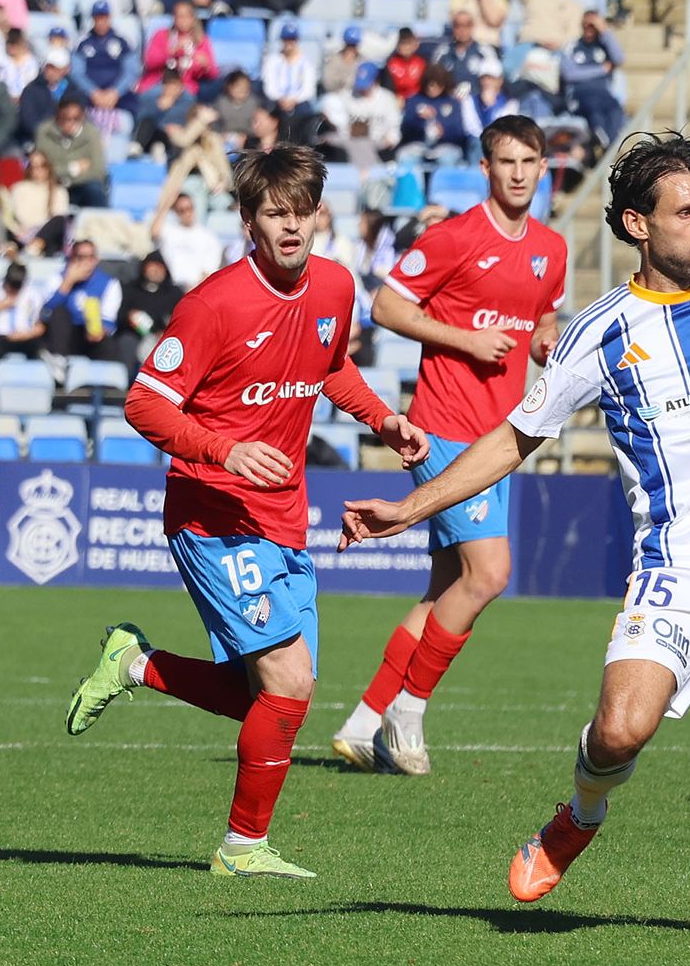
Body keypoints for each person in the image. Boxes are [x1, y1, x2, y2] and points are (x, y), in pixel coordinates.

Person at [338, 132, 690, 906]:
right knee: (618, 732)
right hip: (676, 569)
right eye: (687, 212)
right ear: (637, 224)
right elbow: (513, 437)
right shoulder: (599, 332)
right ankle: (577, 818)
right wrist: (407, 507)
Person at [65, 144, 430, 880]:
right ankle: (242, 849)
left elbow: (331, 368)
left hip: (283, 516)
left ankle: (134, 663)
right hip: (211, 515)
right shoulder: (213, 304)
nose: (291, 227)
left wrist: (384, 421)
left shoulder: (333, 287)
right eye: (275, 213)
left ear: (320, 214)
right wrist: (222, 450)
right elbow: (144, 401)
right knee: (289, 680)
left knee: (265, 695)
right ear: (247, 220)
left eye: (302, 212)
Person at [330, 116, 566, 775]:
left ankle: (363, 721)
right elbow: (384, 306)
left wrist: (543, 339)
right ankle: (407, 712)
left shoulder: (551, 246)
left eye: (530, 161)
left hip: (500, 438)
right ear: (486, 168)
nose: (518, 172)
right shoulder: (455, 237)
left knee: (446, 588)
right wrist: (463, 339)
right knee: (490, 573)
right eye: (505, 161)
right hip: (443, 428)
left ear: (543, 168)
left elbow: (543, 310)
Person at [40, 238, 124, 373]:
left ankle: (106, 385)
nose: (86, 262)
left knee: (108, 343)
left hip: (92, 335)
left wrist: (100, 331)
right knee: (60, 312)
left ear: (96, 259)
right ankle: (58, 364)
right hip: (65, 335)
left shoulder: (109, 283)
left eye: (90, 257)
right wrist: (68, 282)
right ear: (72, 258)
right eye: (81, 257)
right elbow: (47, 311)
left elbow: (109, 318)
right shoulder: (57, 278)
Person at [561, 11, 624, 153]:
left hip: (603, 94)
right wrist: (601, 69)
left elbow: (619, 59)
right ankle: (605, 144)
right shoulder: (572, 47)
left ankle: (610, 148)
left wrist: (605, 31)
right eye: (586, 25)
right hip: (580, 96)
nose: (589, 28)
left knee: (616, 110)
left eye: (593, 25)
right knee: (594, 110)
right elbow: (570, 74)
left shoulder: (603, 46)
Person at [319, 63, 402, 170]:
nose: (363, 89)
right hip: (351, 143)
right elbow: (335, 117)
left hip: (379, 146)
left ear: (375, 81)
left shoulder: (387, 99)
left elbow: (394, 129)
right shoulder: (347, 96)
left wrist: (389, 140)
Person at [399, 65, 482, 164]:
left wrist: (443, 130)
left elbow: (459, 131)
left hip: (446, 145)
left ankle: (442, 179)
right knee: (405, 158)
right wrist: (419, 121)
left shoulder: (453, 102)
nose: (433, 88)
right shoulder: (414, 100)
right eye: (430, 84)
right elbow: (404, 128)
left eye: (438, 85)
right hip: (418, 144)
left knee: (446, 159)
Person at [35, 97, 108, 208]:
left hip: (82, 185)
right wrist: (73, 168)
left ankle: (99, 222)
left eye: (75, 118)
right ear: (57, 117)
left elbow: (98, 170)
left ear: (82, 117)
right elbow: (42, 168)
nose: (70, 123)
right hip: (53, 185)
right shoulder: (45, 132)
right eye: (64, 118)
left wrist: (69, 179)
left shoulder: (92, 133)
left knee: (95, 190)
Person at [116, 249, 183, 368]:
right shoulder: (130, 289)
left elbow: (181, 319)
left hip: (166, 339)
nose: (156, 270)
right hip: (134, 335)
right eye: (152, 266)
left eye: (160, 267)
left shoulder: (174, 294)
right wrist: (129, 317)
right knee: (126, 342)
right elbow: (120, 315)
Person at [139, 1, 219, 97]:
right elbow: (149, 62)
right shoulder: (162, 35)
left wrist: (206, 66)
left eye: (187, 17)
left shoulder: (202, 40)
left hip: (184, 88)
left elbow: (213, 74)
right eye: (179, 17)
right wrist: (172, 51)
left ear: (193, 18)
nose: (183, 21)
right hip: (158, 83)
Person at [73, 1, 138, 115]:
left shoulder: (123, 41)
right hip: (90, 95)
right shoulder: (82, 42)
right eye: (98, 18)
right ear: (93, 19)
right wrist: (93, 92)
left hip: (117, 95)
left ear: (109, 17)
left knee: (134, 103)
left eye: (104, 17)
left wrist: (115, 92)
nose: (101, 22)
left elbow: (131, 71)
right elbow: (77, 73)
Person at [4, 148, 69, 256]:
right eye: (33, 165)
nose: (38, 170)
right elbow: (11, 215)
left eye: (42, 165)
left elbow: (58, 218)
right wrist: (19, 231)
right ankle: (31, 248)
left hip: (46, 237)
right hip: (23, 234)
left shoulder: (59, 191)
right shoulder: (18, 189)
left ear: (48, 167)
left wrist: (38, 234)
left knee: (59, 221)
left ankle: (35, 247)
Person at [152, 193, 225, 289]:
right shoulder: (169, 231)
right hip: (172, 288)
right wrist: (167, 204)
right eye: (181, 210)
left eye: (189, 208)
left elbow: (210, 270)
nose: (187, 213)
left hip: (198, 287)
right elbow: (154, 232)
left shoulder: (207, 236)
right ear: (175, 212)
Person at [18, 47, 85, 148]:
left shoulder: (74, 91)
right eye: (49, 67)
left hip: (68, 141)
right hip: (37, 140)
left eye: (56, 68)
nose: (51, 71)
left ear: (66, 69)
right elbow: (28, 121)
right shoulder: (31, 90)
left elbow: (80, 119)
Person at [0, 260, 48, 367]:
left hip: (25, 337)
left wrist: (27, 334)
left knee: (40, 348)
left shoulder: (33, 295)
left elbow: (40, 326)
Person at [260, 21, 319, 121]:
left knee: (306, 112)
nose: (288, 43)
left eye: (292, 40)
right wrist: (281, 99)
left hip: (299, 102)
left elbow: (308, 89)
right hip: (277, 102)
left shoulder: (307, 62)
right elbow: (269, 86)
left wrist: (293, 100)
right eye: (285, 40)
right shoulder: (272, 60)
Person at [433, 10, 500, 92]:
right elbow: (434, 81)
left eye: (467, 25)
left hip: (476, 102)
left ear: (472, 26)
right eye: (458, 25)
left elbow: (494, 82)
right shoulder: (442, 52)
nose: (462, 29)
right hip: (450, 102)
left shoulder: (484, 51)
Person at [321, 25, 366, 97]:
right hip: (336, 95)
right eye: (349, 45)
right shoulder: (334, 59)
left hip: (356, 97)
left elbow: (366, 84)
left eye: (353, 45)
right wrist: (343, 81)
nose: (351, 48)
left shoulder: (363, 61)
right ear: (345, 43)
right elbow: (327, 83)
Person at [385, 27, 427, 102]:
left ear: (414, 44)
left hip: (419, 100)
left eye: (408, 43)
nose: (406, 47)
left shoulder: (422, 62)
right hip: (398, 101)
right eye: (402, 43)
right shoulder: (391, 63)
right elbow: (387, 88)